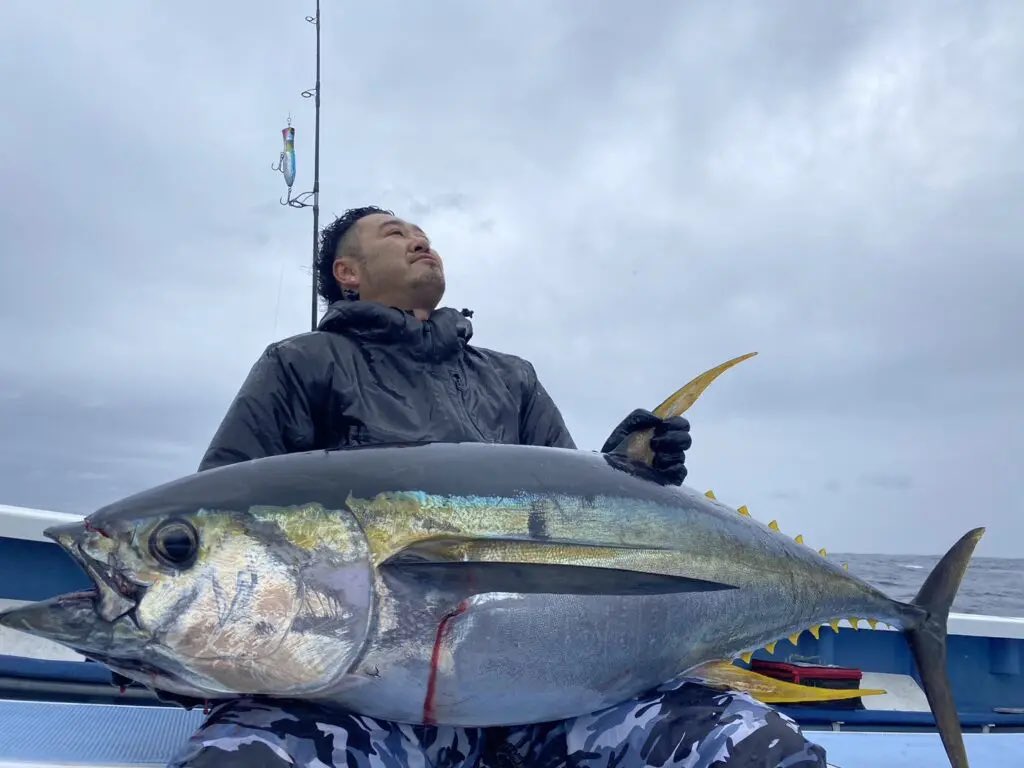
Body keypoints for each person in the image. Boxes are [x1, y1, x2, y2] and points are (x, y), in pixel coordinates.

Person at [168, 206, 827, 768]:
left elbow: (573, 527)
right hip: (362, 702)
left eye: (422, 230)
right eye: (394, 233)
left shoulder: (512, 378)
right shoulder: (303, 364)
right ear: (349, 273)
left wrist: (629, 473)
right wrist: (173, 642)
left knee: (756, 751)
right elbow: (217, 532)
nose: (419, 238)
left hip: (561, 698)